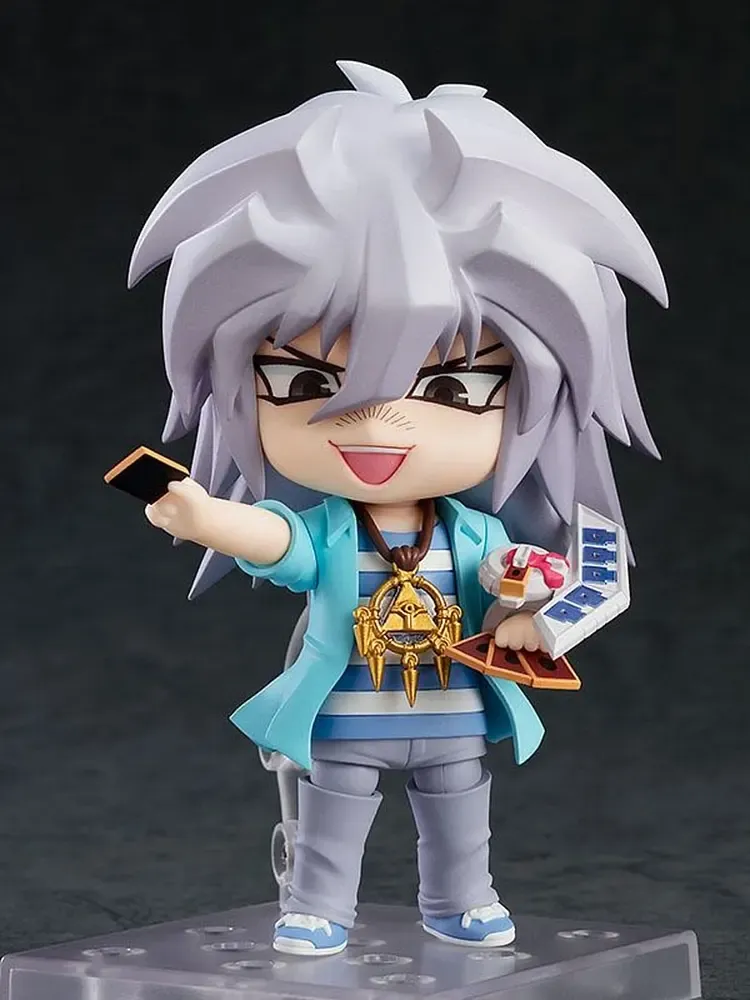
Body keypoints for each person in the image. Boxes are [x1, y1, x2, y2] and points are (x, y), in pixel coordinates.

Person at [129, 60, 666, 956]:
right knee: (331, 818)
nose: (377, 422)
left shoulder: (477, 534)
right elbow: (275, 538)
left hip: (453, 713)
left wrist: (532, 611)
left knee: (460, 819)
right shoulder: (335, 531)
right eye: (304, 381)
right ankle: (318, 907)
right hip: (345, 715)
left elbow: (531, 578)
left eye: (454, 387)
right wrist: (202, 514)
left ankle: (462, 903)